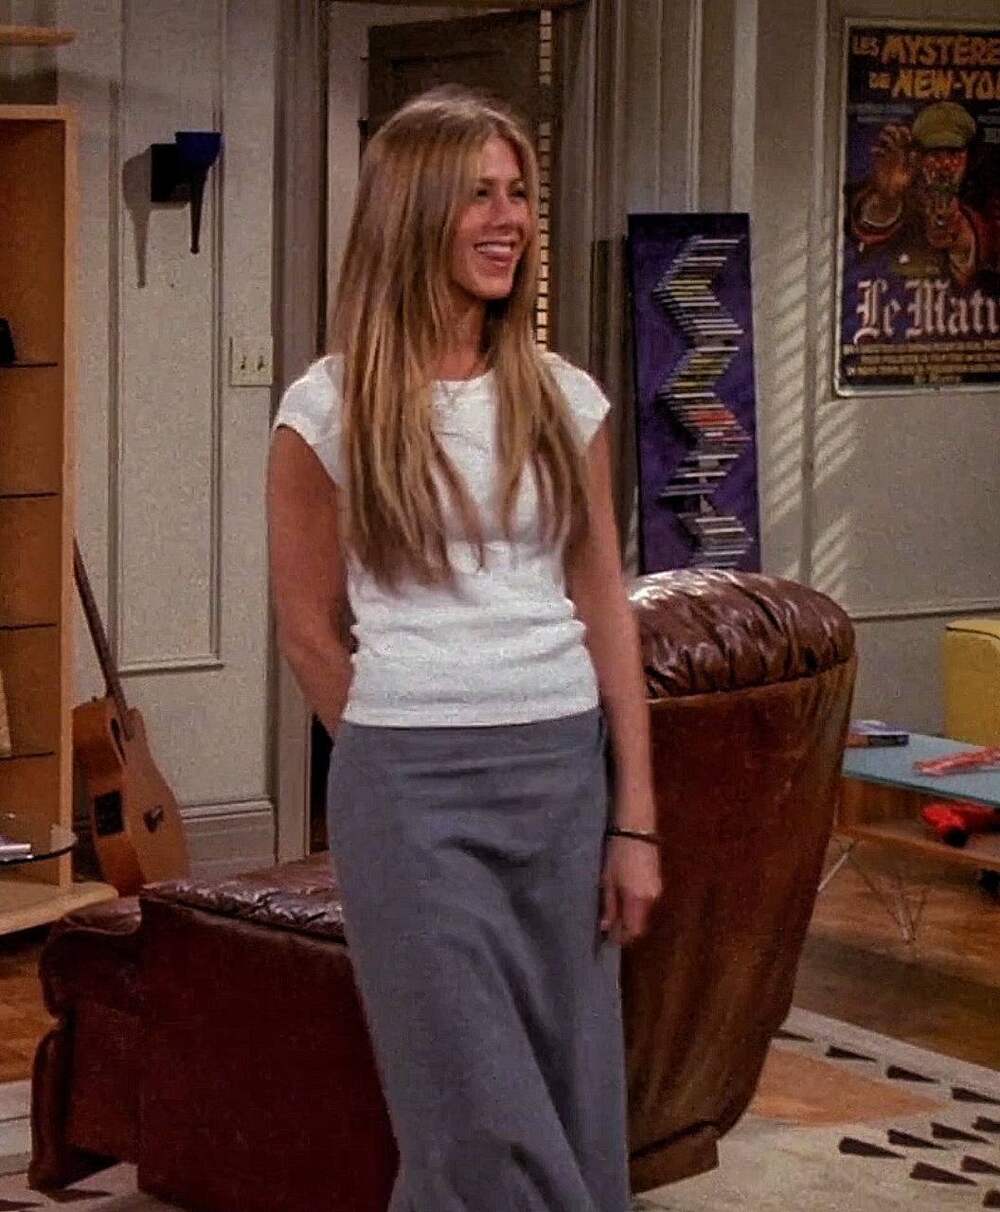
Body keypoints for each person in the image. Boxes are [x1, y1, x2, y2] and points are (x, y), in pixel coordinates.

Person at [267, 84, 662, 1212]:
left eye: (518, 193)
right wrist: (399, 744)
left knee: (571, 1093)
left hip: (561, 776)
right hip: (410, 790)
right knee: (471, 1116)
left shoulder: (566, 401)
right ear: (413, 212)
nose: (510, 220)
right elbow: (308, 627)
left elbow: (605, 607)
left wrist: (634, 819)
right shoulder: (326, 410)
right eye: (479, 195)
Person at [850, 100, 995, 287]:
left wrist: (958, 236)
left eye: (954, 153)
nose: (944, 165)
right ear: (917, 157)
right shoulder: (898, 202)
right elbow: (872, 221)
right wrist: (887, 199)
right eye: (934, 154)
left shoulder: (977, 215)